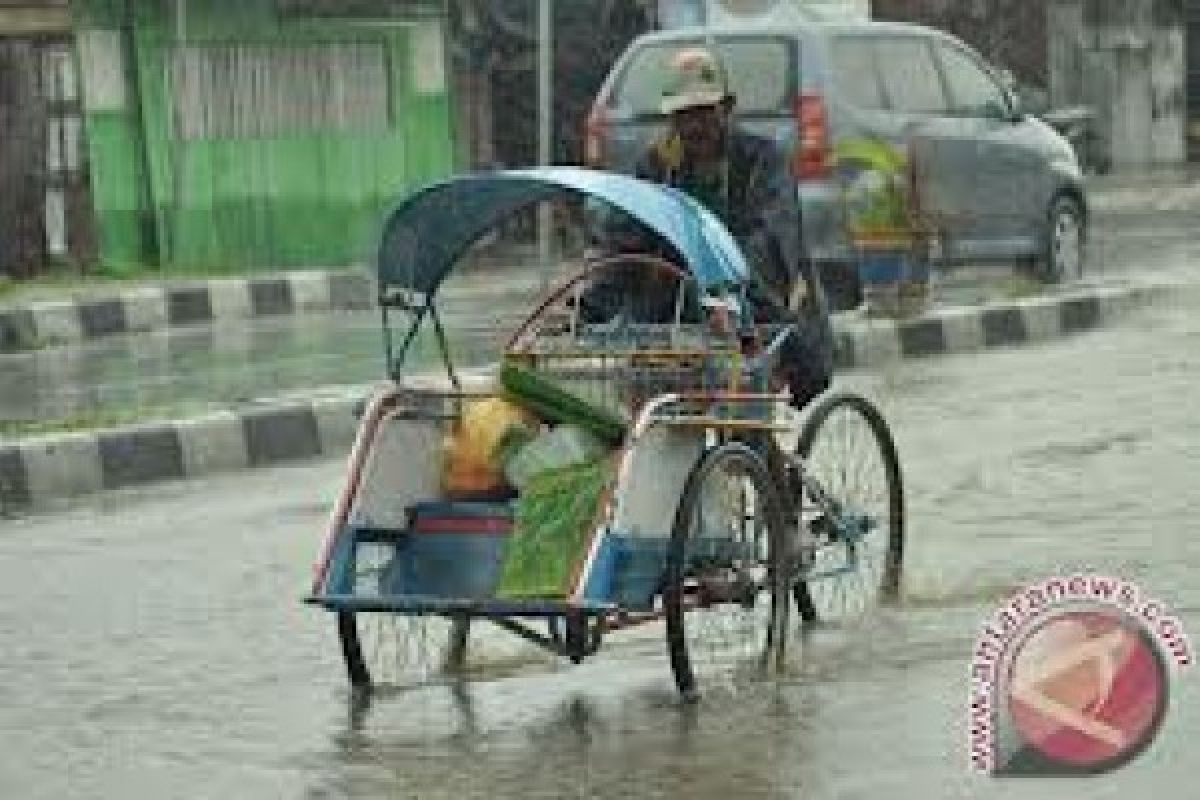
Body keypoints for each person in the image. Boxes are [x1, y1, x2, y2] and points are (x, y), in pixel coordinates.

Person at [588, 46, 834, 411]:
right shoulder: (657, 168)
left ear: (727, 108)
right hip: (678, 318)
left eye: (703, 113)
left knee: (744, 419)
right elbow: (628, 246)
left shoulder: (763, 160)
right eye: (682, 116)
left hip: (758, 307)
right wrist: (588, 306)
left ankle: (763, 458)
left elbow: (772, 237)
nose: (693, 127)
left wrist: (727, 290)